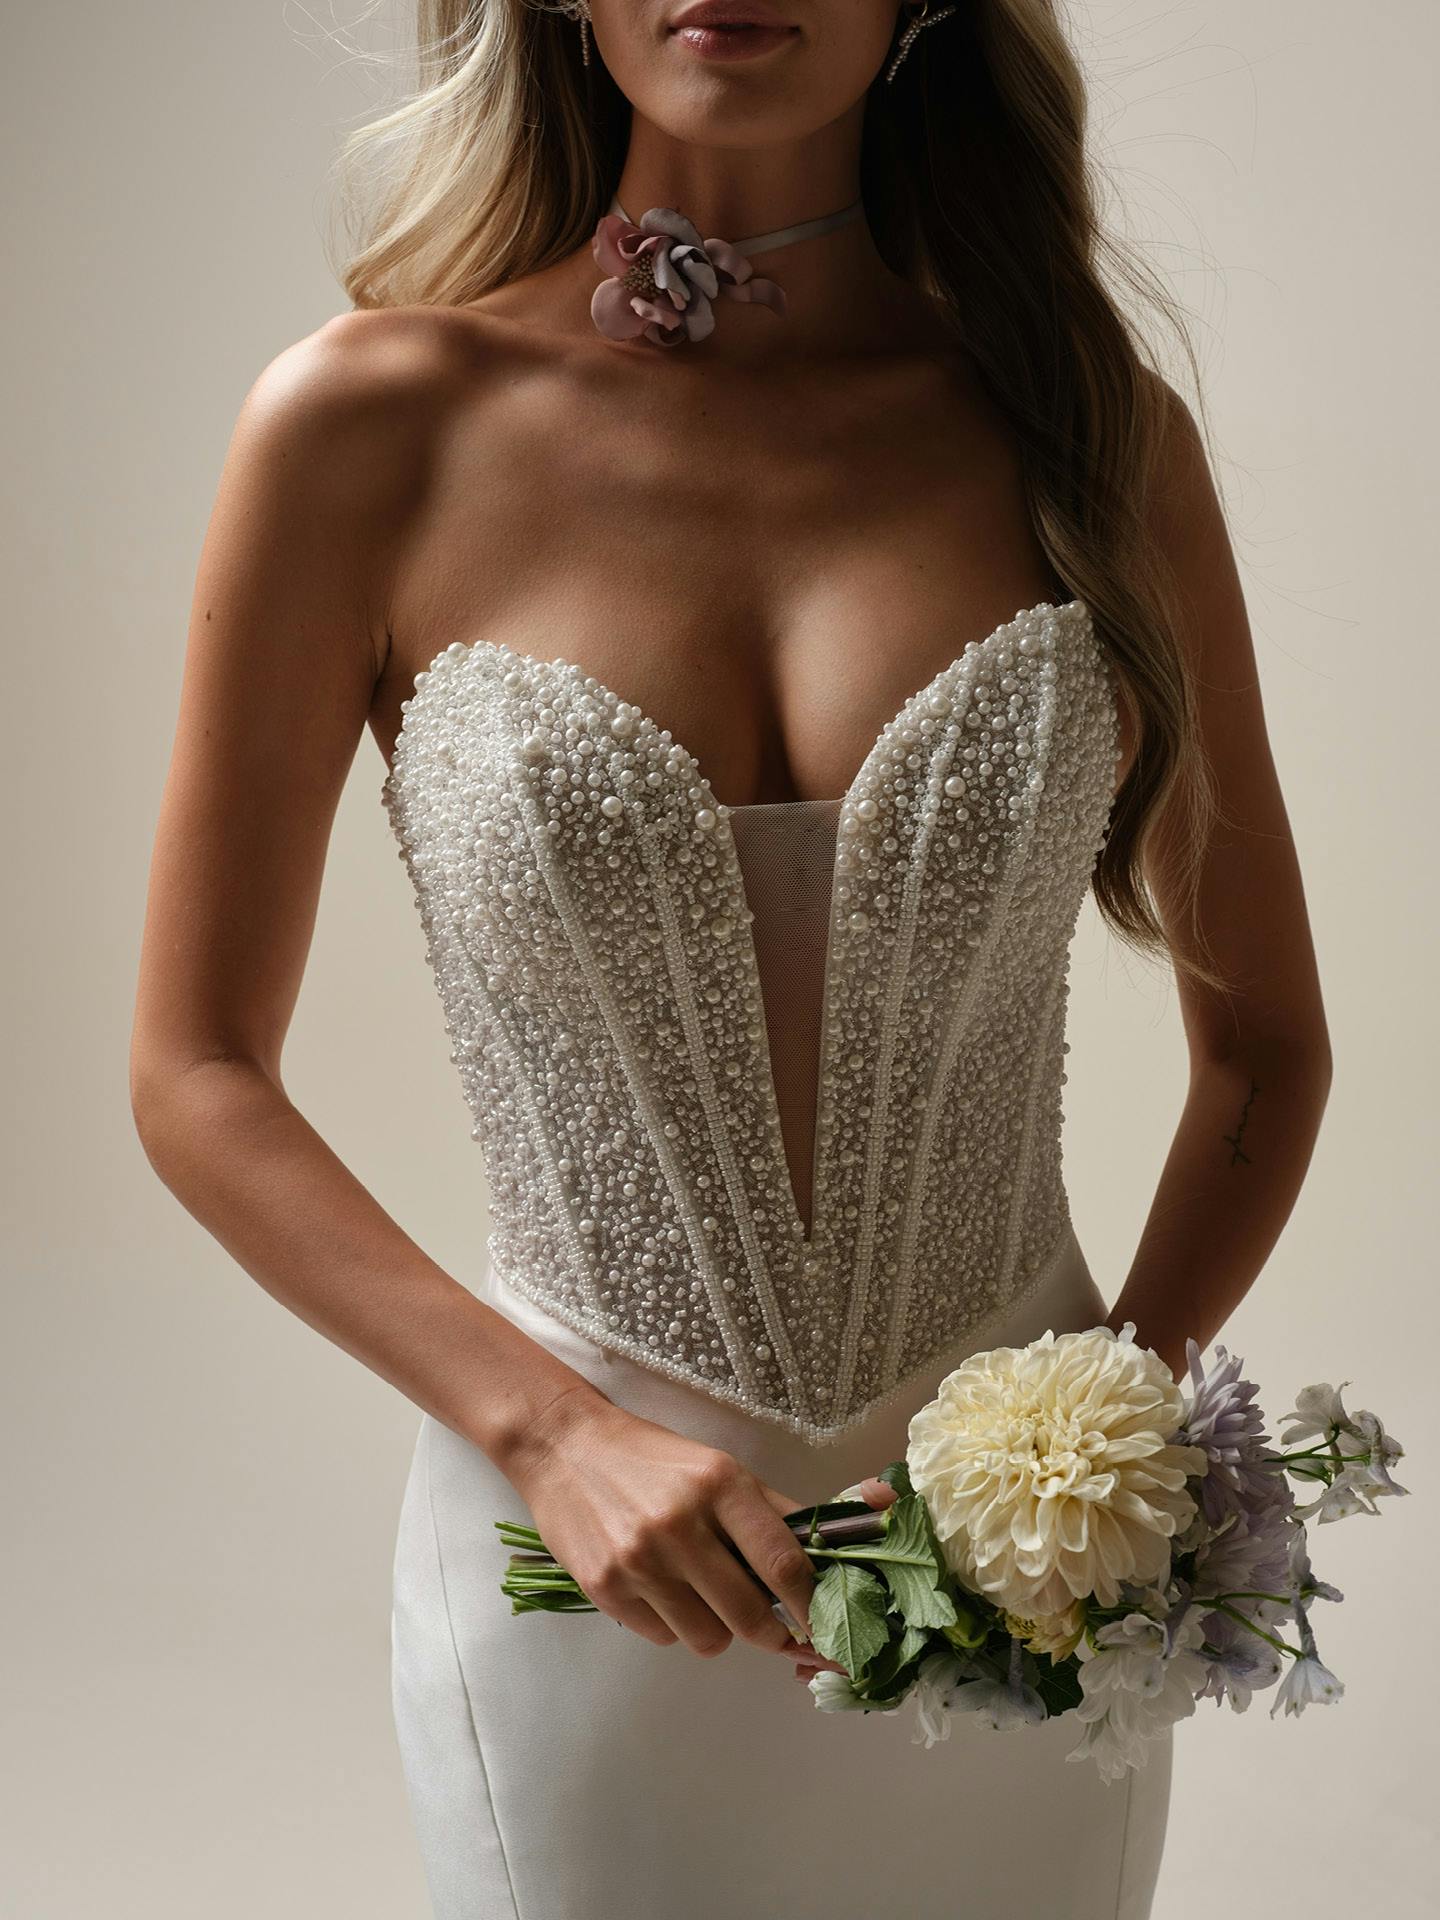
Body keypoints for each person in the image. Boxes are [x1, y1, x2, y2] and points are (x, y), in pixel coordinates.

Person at [129, 2, 1333, 1915]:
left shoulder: (1080, 427)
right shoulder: (366, 422)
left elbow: (1265, 1046)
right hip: (587, 1563)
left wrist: (1088, 1458)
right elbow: (192, 1072)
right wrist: (557, 1431)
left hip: (1022, 1592)